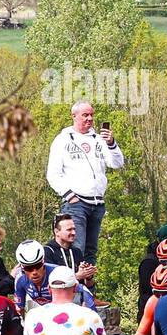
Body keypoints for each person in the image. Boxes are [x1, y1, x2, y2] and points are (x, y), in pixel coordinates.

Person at [45, 100, 124, 265]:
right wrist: (70, 196)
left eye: (91, 115)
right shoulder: (62, 140)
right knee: (76, 248)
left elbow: (116, 163)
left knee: (91, 251)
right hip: (76, 203)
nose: (89, 119)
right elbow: (53, 174)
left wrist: (111, 144)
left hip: (97, 203)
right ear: (74, 116)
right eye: (85, 115)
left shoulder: (99, 139)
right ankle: (72, 287)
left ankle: (88, 288)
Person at [13, 240, 97, 315]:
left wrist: (93, 316)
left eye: (38, 266)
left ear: (43, 262)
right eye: (29, 268)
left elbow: (83, 290)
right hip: (46, 311)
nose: (34, 272)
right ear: (22, 267)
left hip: (71, 308)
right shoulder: (20, 278)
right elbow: (19, 309)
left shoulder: (57, 272)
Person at [44, 213, 97, 288]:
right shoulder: (48, 251)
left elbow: (88, 286)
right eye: (69, 230)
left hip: (77, 298)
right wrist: (77, 276)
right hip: (57, 298)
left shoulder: (76, 252)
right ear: (57, 232)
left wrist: (88, 276)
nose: (74, 233)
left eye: (74, 229)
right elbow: (51, 283)